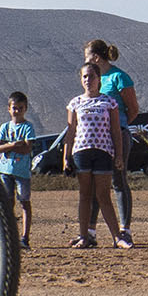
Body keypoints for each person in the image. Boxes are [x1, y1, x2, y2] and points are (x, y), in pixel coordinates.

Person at [64, 63, 130, 248]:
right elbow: (70, 132)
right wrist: (66, 157)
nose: (88, 80)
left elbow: (116, 131)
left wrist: (119, 155)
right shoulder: (75, 103)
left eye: (92, 76)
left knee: (103, 196)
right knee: (85, 195)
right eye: (85, 76)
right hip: (81, 151)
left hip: (103, 151)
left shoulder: (109, 102)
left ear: (99, 79)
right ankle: (84, 236)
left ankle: (118, 237)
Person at [84, 39, 139, 239]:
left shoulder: (119, 78)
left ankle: (125, 229)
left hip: (117, 136)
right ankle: (90, 231)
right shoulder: (94, 79)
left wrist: (118, 127)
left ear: (96, 57)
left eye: (87, 58)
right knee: (97, 183)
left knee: (118, 180)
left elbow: (133, 109)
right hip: (96, 139)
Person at [0, 91, 36, 250]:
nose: (17, 111)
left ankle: (25, 237)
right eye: (14, 108)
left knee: (24, 202)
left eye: (20, 108)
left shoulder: (28, 127)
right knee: (7, 203)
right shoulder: (5, 127)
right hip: (5, 171)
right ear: (9, 109)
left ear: (25, 109)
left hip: (22, 172)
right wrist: (14, 145)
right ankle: (8, 236)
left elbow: (28, 148)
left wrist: (9, 147)